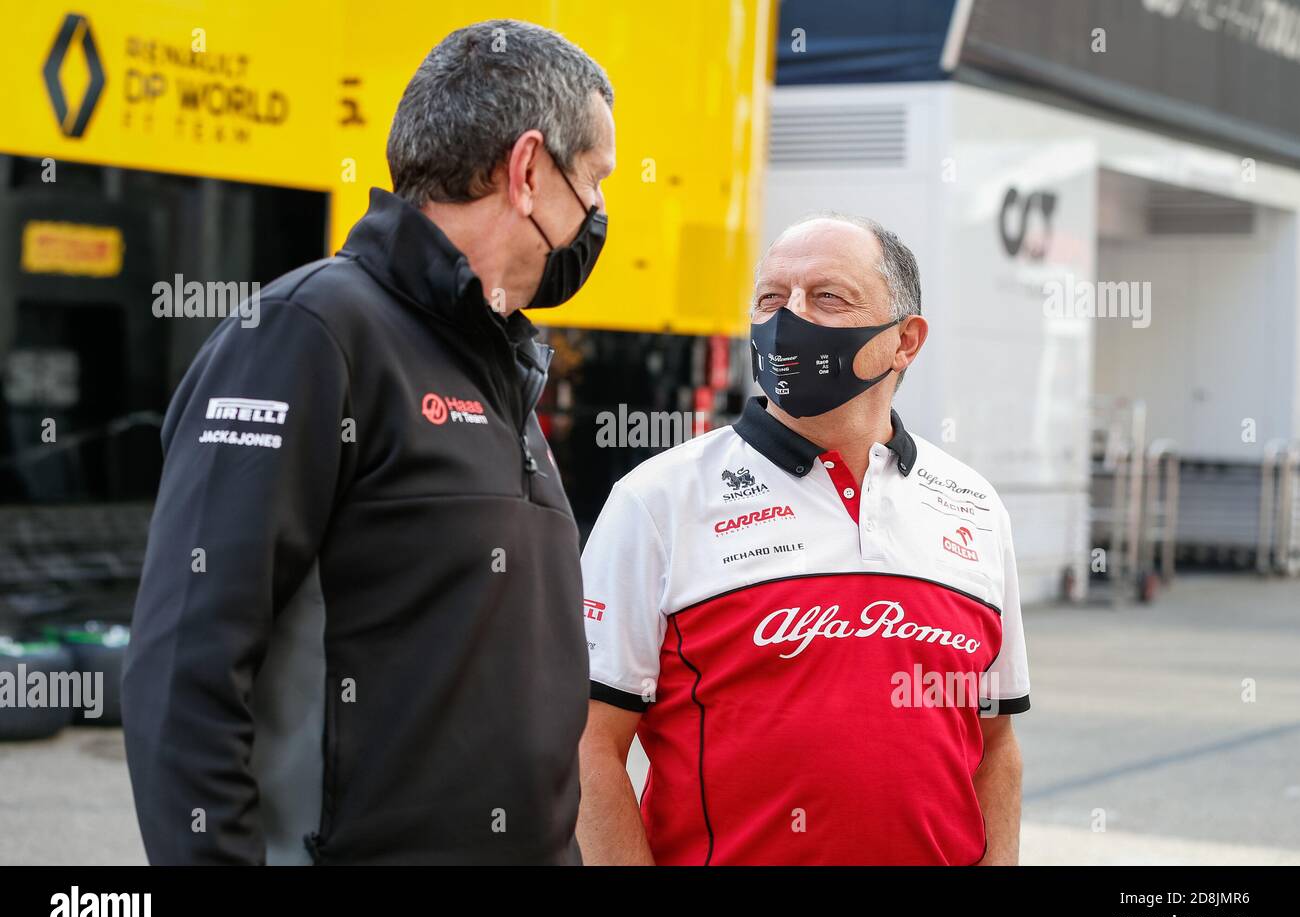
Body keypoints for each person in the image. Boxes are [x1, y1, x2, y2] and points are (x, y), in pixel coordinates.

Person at [122, 19, 616, 865]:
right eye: (595, 181)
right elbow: (184, 673)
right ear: (528, 171)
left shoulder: (499, 357)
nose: (601, 212)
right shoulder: (307, 333)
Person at [576, 214, 1030, 865]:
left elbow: (997, 745)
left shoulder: (975, 507)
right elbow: (589, 745)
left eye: (827, 297)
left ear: (905, 341)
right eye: (771, 299)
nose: (788, 319)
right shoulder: (657, 501)